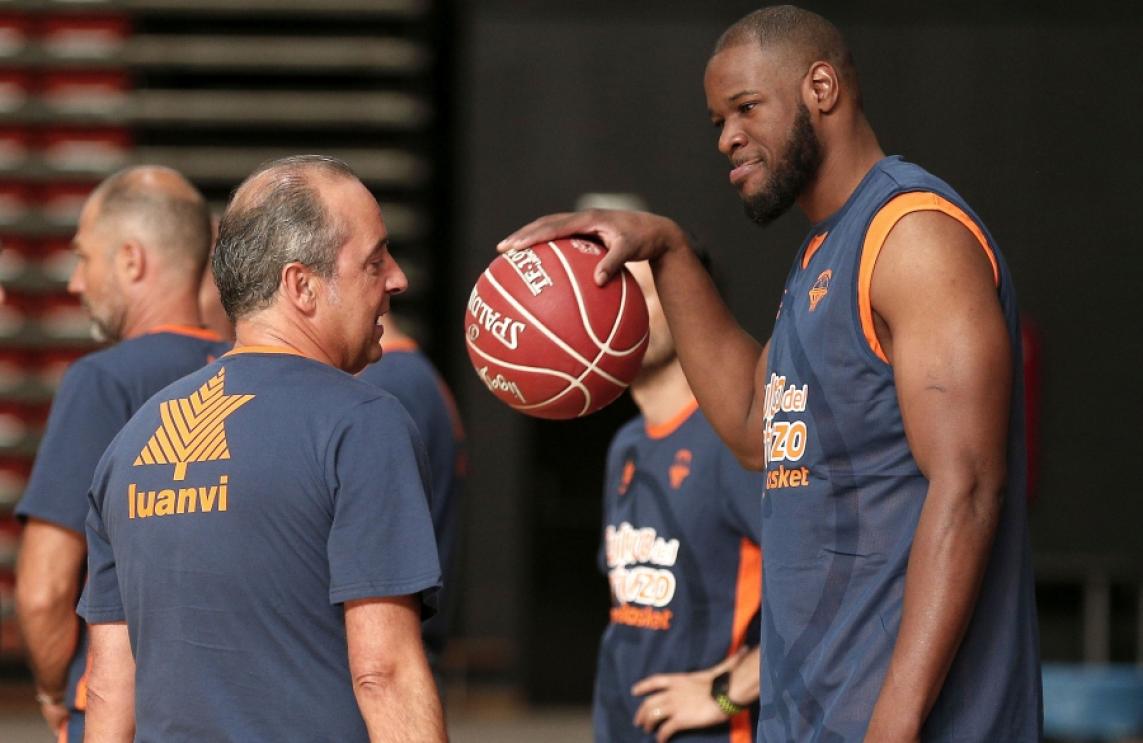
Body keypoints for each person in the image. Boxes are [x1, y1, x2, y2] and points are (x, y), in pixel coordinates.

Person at [500, 6, 1040, 741]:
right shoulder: (820, 255)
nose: (726, 137)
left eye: (745, 107)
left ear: (821, 88)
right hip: (812, 714)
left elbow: (969, 486)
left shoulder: (911, 235)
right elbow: (753, 427)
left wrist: (894, 721)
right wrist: (667, 249)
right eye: (717, 120)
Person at [77, 155, 446, 742]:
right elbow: (385, 674)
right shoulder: (363, 424)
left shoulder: (132, 440)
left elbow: (107, 690)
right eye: (375, 261)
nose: (397, 279)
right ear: (301, 286)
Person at [14, 165, 228, 743]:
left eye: (84, 258)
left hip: (122, 712)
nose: (74, 283)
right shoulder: (256, 376)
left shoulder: (101, 382)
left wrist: (56, 693)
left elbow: (44, 589)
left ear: (131, 260)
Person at [596, 259, 762, 743]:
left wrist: (726, 693)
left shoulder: (738, 442)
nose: (618, 311)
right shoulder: (626, 444)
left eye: (637, 292)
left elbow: (831, 592)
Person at [357, 314, 465, 686]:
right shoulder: (412, 373)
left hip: (391, 657)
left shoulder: (385, 386)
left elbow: (375, 549)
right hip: (411, 647)